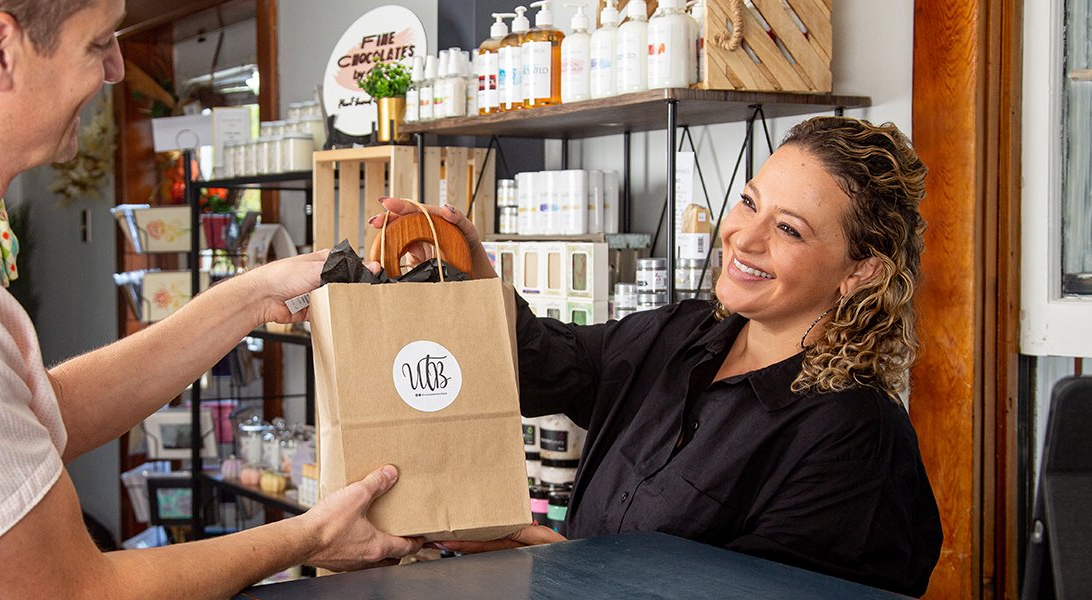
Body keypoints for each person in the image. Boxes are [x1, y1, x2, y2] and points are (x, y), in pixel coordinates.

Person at [0, 0, 421, 597]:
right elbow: (80, 592)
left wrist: (250, 295)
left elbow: (42, 412)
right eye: (98, 43)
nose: (117, 67)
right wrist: (312, 536)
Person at [375, 116, 943, 597]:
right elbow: (546, 366)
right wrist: (470, 277)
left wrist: (579, 570)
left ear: (860, 270)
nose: (744, 238)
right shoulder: (680, 334)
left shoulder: (856, 438)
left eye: (789, 229)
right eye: (749, 202)